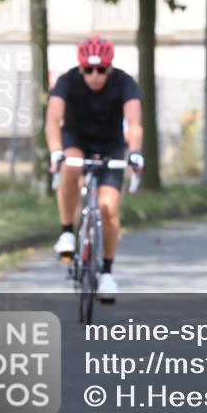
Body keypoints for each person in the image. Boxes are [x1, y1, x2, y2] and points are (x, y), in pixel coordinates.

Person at [46, 36, 144, 302]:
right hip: (76, 139)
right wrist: (56, 150)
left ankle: (107, 272)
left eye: (101, 69)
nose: (95, 76)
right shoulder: (67, 81)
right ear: (80, 69)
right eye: (88, 70)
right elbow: (53, 119)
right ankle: (67, 231)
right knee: (71, 165)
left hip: (111, 145)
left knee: (108, 208)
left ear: (110, 68)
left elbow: (134, 123)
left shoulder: (124, 82)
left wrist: (135, 153)